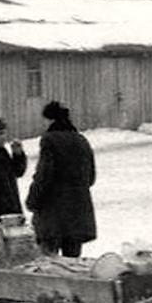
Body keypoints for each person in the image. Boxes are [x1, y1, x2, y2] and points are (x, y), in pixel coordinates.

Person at [25, 101, 96, 257]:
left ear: (50, 119)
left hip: (53, 213)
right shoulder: (81, 140)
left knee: (48, 262)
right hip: (78, 211)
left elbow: (44, 175)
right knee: (72, 263)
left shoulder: (49, 140)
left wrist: (32, 200)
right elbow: (91, 177)